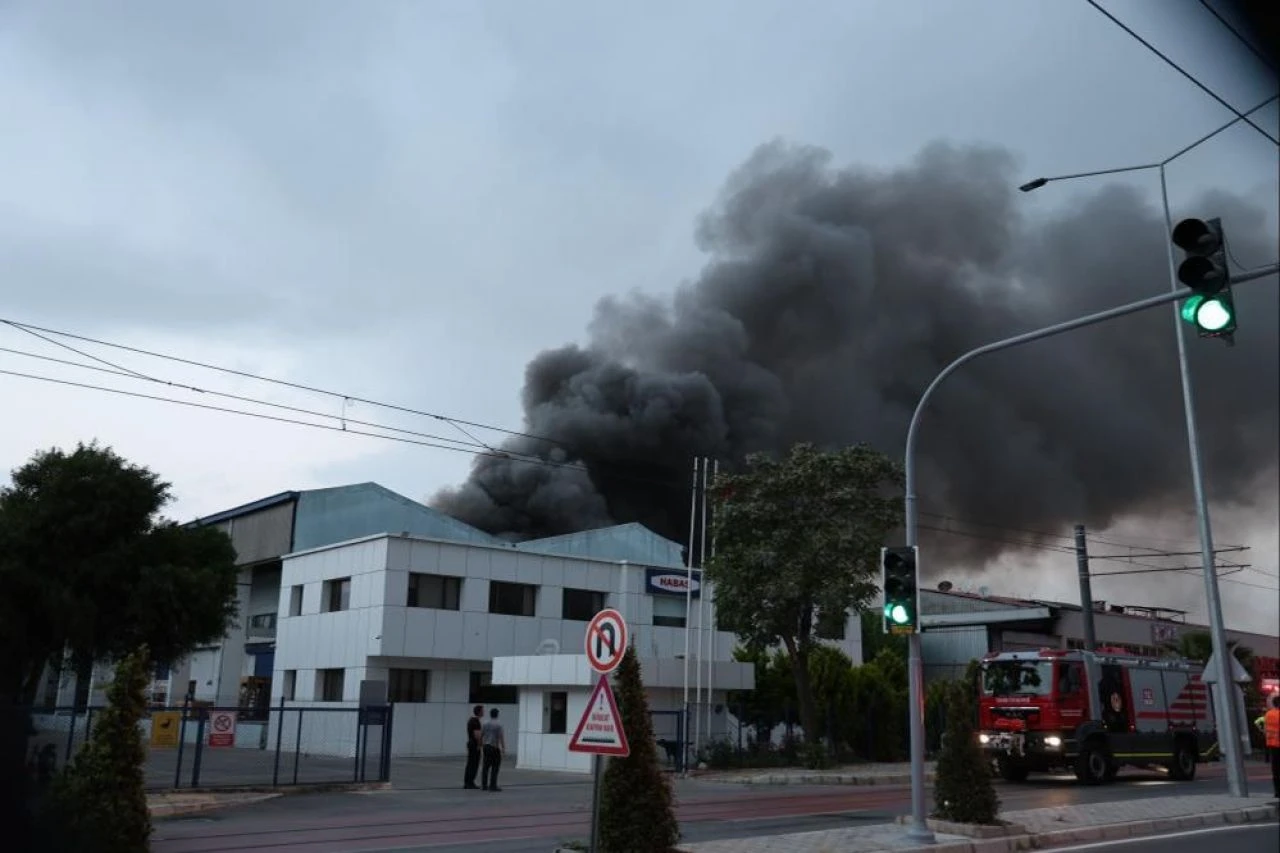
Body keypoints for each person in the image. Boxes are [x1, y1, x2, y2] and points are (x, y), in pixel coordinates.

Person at [1257, 692, 1280, 800]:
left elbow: (1265, 730)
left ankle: (1277, 792)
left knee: (1275, 771)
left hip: (1271, 744)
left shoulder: (1268, 714)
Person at [481, 707, 506, 792]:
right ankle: (493, 785)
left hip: (486, 746)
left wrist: (481, 745)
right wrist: (503, 748)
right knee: (495, 767)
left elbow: (482, 734)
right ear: (497, 714)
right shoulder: (499, 725)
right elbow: (500, 737)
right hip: (494, 747)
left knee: (485, 766)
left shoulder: (485, 723)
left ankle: (484, 785)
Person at [463, 704, 484, 790]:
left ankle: (467, 782)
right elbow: (477, 735)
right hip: (474, 744)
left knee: (470, 763)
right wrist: (480, 745)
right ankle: (470, 782)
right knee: (474, 764)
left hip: (470, 743)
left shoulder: (471, 720)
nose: (483, 712)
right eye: (482, 711)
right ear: (479, 712)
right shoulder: (476, 721)